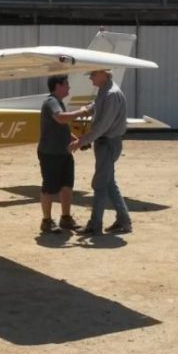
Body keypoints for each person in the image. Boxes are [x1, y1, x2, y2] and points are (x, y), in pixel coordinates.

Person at [73, 69, 132, 235]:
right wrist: (86, 109)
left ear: (104, 74)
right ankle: (123, 220)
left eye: (93, 74)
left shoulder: (111, 94)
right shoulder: (105, 90)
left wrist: (81, 141)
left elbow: (102, 125)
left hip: (108, 143)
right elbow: (98, 106)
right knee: (108, 183)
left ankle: (95, 224)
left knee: (100, 184)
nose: (90, 77)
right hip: (105, 143)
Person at [37, 75, 83, 234]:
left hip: (63, 151)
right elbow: (60, 119)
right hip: (50, 153)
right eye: (66, 85)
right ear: (58, 86)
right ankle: (47, 221)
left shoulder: (59, 102)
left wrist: (71, 138)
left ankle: (66, 218)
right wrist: (82, 111)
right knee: (49, 187)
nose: (69, 88)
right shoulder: (51, 102)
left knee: (66, 185)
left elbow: (59, 126)